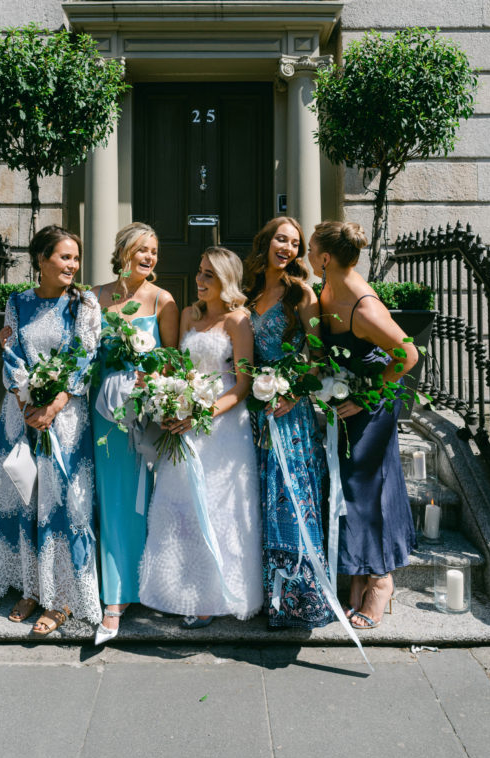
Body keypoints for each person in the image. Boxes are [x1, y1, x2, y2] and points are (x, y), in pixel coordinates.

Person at [0, 225, 102, 635]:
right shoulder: (17, 303)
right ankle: (33, 588)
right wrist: (25, 402)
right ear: (41, 259)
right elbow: (13, 353)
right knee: (26, 501)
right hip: (21, 417)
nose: (72, 264)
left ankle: (64, 598)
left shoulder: (84, 305)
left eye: (75, 258)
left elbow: (84, 358)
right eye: (64, 257)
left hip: (65, 420)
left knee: (66, 505)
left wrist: (52, 407)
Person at [139, 247, 263, 627]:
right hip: (184, 418)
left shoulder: (239, 321)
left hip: (222, 426)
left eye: (209, 274)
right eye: (199, 271)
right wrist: (170, 401)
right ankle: (180, 588)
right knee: (180, 508)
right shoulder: (190, 316)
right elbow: (175, 366)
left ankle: (211, 596)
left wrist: (202, 414)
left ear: (226, 279)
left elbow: (242, 385)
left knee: (217, 509)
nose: (200, 279)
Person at [308, 220, 418, 629]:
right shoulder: (326, 290)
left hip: (374, 402)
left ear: (324, 257)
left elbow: (407, 356)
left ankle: (381, 579)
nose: (306, 255)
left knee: (359, 486)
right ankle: (358, 572)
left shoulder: (363, 306)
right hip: (347, 400)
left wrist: (365, 396)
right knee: (353, 487)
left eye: (309, 249)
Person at [245, 217, 335, 630]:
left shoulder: (302, 294)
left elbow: (318, 358)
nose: (288, 247)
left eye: (295, 243)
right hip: (252, 411)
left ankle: (299, 600)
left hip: (288, 413)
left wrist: (293, 391)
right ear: (266, 242)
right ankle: (265, 596)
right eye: (281, 239)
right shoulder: (246, 295)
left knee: (290, 496)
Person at [91, 222, 179, 644]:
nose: (149, 257)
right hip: (106, 415)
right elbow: (80, 355)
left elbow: (172, 361)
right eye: (142, 250)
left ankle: (147, 583)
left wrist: (150, 388)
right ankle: (115, 594)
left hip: (144, 414)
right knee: (113, 501)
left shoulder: (164, 301)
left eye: (154, 251)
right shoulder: (95, 297)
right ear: (123, 250)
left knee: (147, 500)